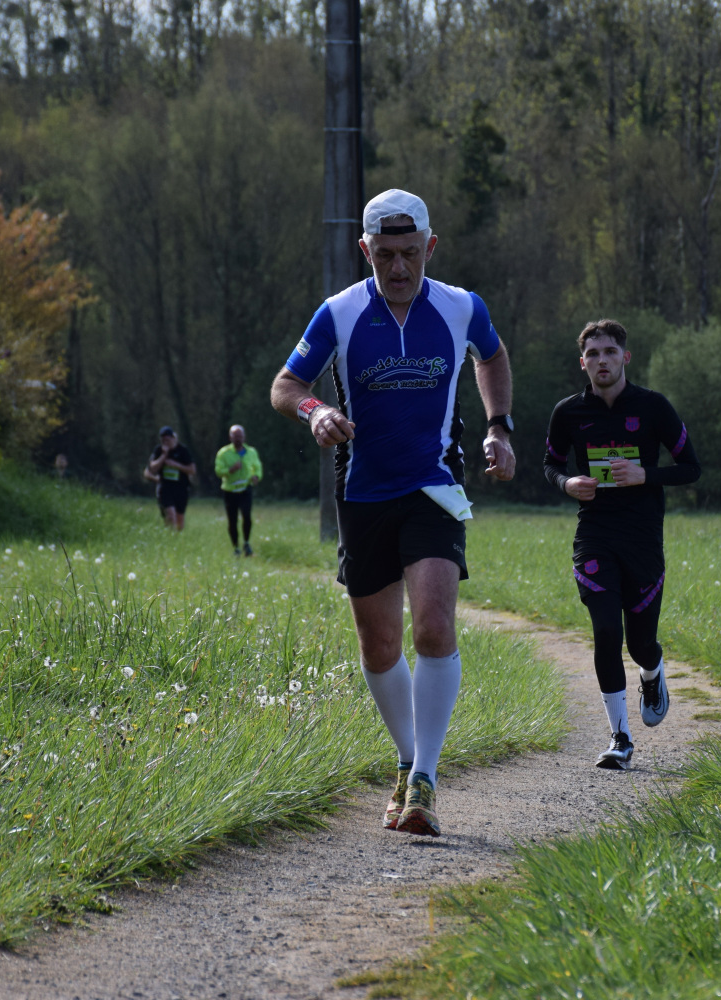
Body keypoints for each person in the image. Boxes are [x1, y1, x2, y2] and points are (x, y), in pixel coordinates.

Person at [270, 188, 516, 837]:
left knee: (433, 626)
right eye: (385, 255)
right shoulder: (339, 312)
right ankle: (407, 761)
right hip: (364, 494)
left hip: (434, 488)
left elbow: (492, 354)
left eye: (410, 253)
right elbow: (286, 385)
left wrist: (498, 425)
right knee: (380, 645)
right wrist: (315, 412)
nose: (399, 267)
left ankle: (426, 781)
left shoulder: (462, 307)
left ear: (430, 246)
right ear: (365, 250)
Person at [543, 319, 700, 769]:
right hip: (594, 535)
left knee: (640, 643)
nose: (602, 361)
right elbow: (550, 464)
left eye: (610, 352)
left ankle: (653, 671)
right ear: (583, 363)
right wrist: (567, 482)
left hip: (643, 538)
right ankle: (620, 737)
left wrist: (645, 475)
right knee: (607, 631)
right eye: (593, 354)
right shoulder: (568, 412)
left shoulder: (653, 407)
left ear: (625, 357)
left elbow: (691, 467)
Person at [214, 424, 263, 556]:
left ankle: (246, 543)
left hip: (245, 489)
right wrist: (231, 470)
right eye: (235, 436)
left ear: (244, 437)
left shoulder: (251, 452)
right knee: (232, 520)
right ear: (230, 437)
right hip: (230, 491)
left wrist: (256, 476)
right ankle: (236, 547)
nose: (238, 439)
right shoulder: (223, 453)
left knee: (247, 516)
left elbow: (257, 467)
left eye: (240, 436)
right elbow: (218, 471)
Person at [144, 426, 197, 531]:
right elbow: (151, 468)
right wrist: (163, 456)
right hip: (165, 488)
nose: (165, 442)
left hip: (181, 488)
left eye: (167, 440)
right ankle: (169, 536)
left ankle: (177, 539)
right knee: (170, 516)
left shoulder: (183, 451)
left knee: (179, 522)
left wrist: (176, 465)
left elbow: (192, 470)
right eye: (163, 440)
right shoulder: (158, 450)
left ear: (173, 438)